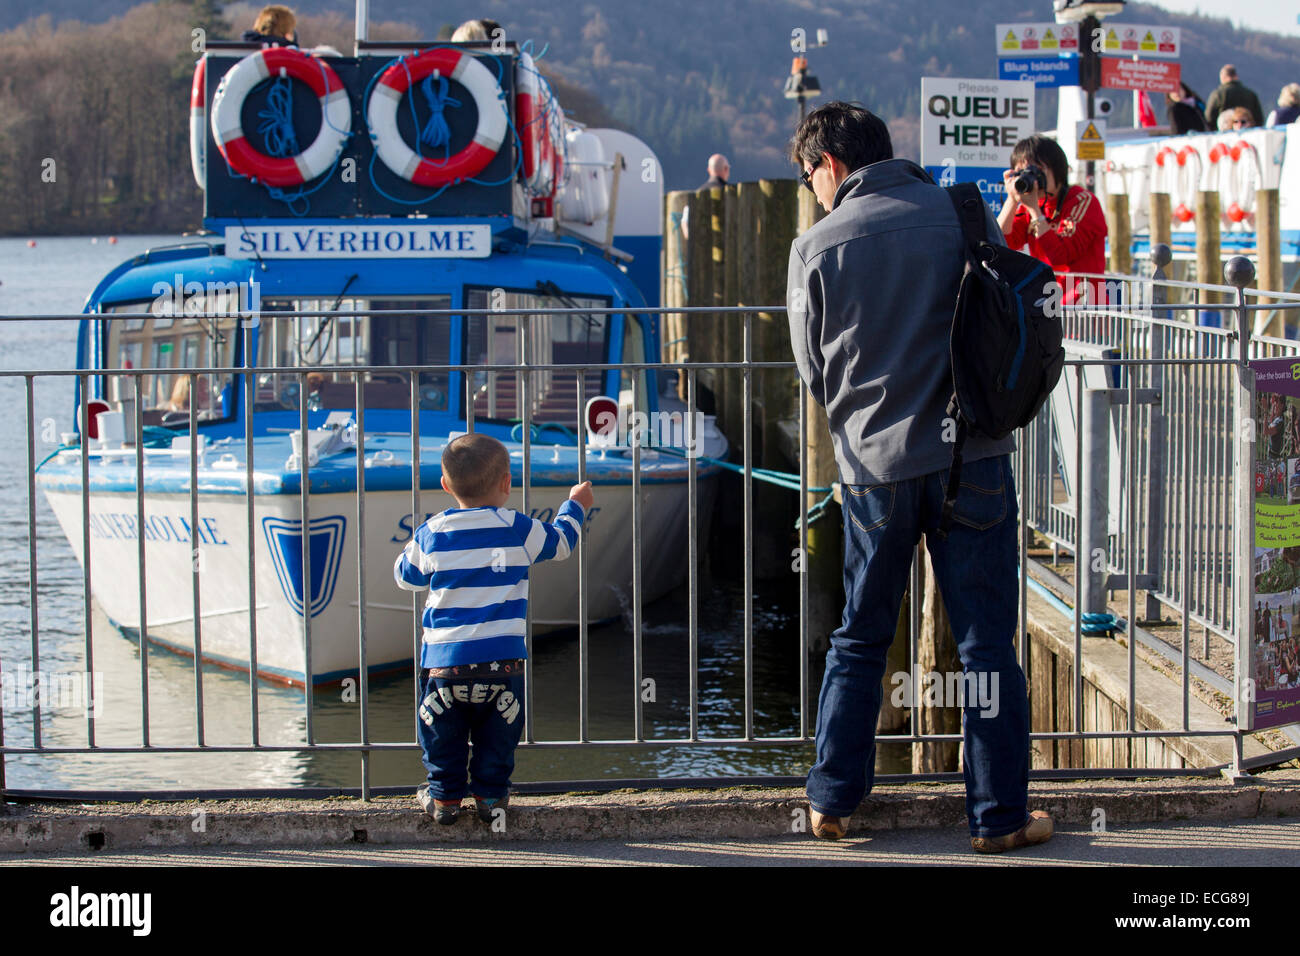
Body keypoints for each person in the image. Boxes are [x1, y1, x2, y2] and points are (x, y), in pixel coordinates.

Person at [785, 100, 1050, 853]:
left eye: (809, 178)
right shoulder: (962, 213)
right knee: (987, 646)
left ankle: (833, 799)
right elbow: (1001, 321)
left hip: (875, 468)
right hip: (977, 460)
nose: (812, 191)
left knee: (861, 638)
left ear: (829, 167)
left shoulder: (816, 246)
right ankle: (998, 819)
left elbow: (813, 371)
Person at [393, 433, 593, 825]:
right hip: (502, 662)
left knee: (441, 732)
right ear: (507, 483)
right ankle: (491, 798)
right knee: (498, 735)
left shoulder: (433, 532)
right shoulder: (519, 529)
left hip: (443, 662)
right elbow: (563, 542)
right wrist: (575, 505)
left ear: (446, 486)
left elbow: (406, 577)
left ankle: (444, 799)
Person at [998, 134, 1108, 306]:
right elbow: (999, 243)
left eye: (1036, 171)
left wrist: (1035, 211)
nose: (1031, 179)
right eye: (1023, 172)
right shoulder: (1030, 204)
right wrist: (1012, 199)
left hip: (1084, 310)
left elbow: (1060, 255)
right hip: (1046, 307)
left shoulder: (1082, 201)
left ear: (1056, 169)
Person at [1205, 65, 1265, 129]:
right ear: (1236, 76)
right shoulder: (1251, 94)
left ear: (1223, 77)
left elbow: (1209, 118)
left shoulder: (1217, 95)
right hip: (1248, 134)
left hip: (1223, 135)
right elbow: (1259, 119)